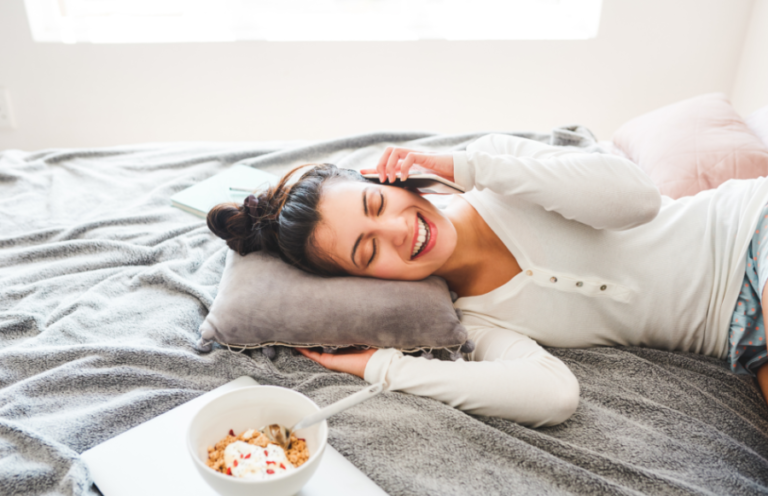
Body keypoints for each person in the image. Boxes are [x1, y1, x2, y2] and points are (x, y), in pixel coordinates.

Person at [207, 134, 768, 428]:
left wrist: (467, 167)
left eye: (378, 204)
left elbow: (637, 200)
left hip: (747, 231)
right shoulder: (475, 320)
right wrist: (378, 365)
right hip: (742, 337)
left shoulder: (497, 171)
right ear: (365, 281)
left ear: (393, 180)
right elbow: (553, 394)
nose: (397, 231)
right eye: (367, 250)